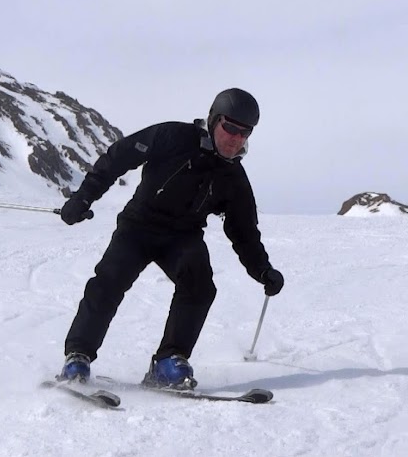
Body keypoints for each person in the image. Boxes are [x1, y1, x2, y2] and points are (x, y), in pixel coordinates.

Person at [56, 88, 284, 389]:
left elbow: (244, 232)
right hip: (138, 225)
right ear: (214, 120)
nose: (236, 138)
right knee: (109, 281)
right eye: (230, 128)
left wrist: (262, 270)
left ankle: (167, 362)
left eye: (245, 133)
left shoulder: (234, 178)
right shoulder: (172, 136)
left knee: (200, 286)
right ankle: (78, 356)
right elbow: (118, 157)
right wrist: (83, 198)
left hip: (182, 237)